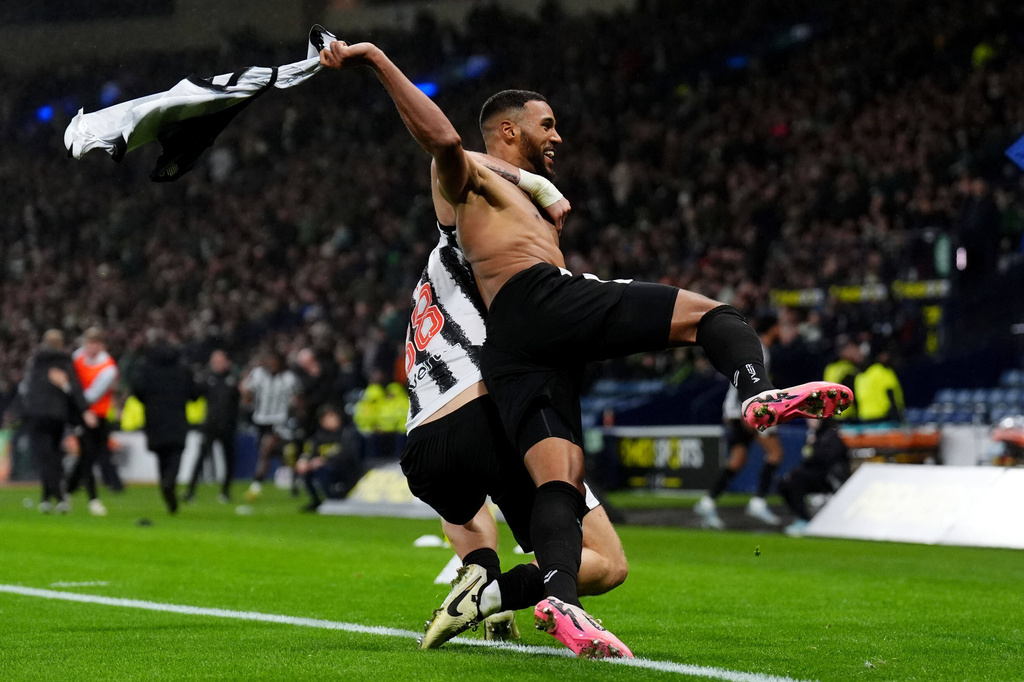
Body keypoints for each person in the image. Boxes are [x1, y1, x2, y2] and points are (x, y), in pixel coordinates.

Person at [319, 41, 852, 658]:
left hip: (507, 360)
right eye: (547, 125)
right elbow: (443, 144)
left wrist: (533, 187)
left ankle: (543, 597)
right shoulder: (469, 184)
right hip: (534, 309)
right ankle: (758, 394)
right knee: (713, 315)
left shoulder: (520, 200)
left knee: (562, 486)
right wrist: (375, 59)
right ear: (510, 130)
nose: (559, 137)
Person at [402, 159, 628, 651]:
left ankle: (480, 571)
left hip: (422, 444)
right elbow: (445, 150)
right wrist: (538, 185)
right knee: (606, 562)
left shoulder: (440, 260)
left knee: (468, 503)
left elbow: (445, 160)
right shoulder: (495, 256)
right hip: (490, 417)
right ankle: (498, 595)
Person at [695, 315, 785, 529]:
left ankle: (707, 503)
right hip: (748, 410)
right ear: (772, 328)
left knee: (738, 458)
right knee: (775, 453)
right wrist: (748, 411)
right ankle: (758, 502)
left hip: (737, 410)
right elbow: (744, 381)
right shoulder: (760, 349)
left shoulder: (758, 347)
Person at [18, 329, 96, 513]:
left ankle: (58, 497)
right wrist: (84, 410)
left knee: (46, 457)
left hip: (36, 414)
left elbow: (25, 388)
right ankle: (48, 498)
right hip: (57, 415)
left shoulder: (35, 361)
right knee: (53, 454)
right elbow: (74, 388)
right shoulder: (64, 361)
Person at [131, 329, 201, 514]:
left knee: (161, 455)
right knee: (175, 453)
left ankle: (165, 483)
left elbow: (137, 389)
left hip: (154, 418)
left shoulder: (146, 367)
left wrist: (150, 400)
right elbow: (194, 393)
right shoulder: (182, 367)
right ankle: (170, 480)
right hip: (177, 417)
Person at [66, 327, 119, 516]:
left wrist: (72, 393)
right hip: (82, 415)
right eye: (89, 343)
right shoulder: (77, 357)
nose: (91, 347)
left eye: (95, 343)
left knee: (90, 455)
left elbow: (92, 395)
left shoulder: (108, 368)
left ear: (102, 345)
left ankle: (68, 488)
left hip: (99, 416)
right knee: (88, 453)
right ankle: (93, 499)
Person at [241, 351, 301, 501]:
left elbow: (298, 398)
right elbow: (247, 392)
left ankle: (256, 487)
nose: (272, 365)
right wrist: (247, 399)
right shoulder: (258, 375)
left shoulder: (288, 378)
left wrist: (295, 412)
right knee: (273, 454)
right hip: (261, 421)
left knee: (267, 450)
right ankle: (293, 483)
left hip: (280, 421)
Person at [777, 417, 851, 537]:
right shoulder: (814, 436)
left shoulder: (830, 436)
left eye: (814, 419)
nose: (810, 421)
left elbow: (828, 461)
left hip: (829, 479)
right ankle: (801, 518)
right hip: (815, 476)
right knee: (785, 483)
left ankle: (805, 520)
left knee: (796, 479)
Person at [185, 349, 240, 503]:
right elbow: (194, 395)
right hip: (211, 425)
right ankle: (190, 491)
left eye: (221, 361)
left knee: (229, 460)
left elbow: (239, 401)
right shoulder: (208, 378)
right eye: (216, 361)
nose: (218, 364)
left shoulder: (232, 379)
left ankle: (226, 491)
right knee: (201, 458)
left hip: (228, 425)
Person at [295, 403, 363, 512]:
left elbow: (347, 455)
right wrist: (304, 460)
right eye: (328, 417)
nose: (332, 420)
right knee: (308, 470)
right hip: (323, 468)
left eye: (333, 416)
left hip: (344, 469)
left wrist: (324, 461)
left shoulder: (346, 434)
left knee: (323, 469)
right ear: (322, 421)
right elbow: (309, 450)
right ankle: (316, 500)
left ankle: (332, 498)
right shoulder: (319, 436)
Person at [854, 346, 904, 423]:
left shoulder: (859, 376)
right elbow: (890, 393)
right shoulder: (882, 371)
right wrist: (897, 416)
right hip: (884, 418)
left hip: (865, 419)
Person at [823, 335, 863, 421]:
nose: (859, 351)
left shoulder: (830, 368)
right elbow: (854, 395)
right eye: (855, 348)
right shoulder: (848, 370)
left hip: (832, 416)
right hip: (848, 416)